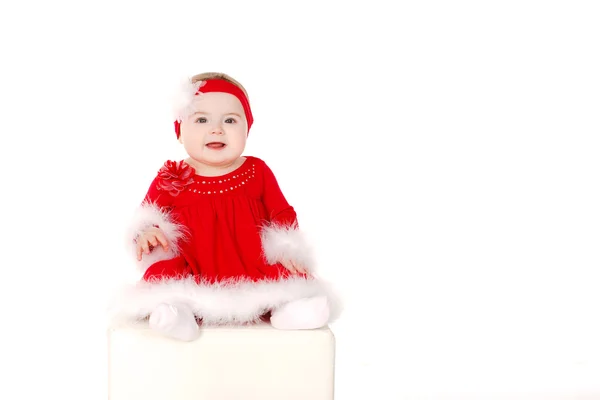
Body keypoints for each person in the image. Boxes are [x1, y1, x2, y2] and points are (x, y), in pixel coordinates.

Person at [108, 72, 335, 341]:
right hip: (195, 266)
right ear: (180, 131)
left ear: (247, 130)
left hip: (251, 262)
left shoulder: (256, 170)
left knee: (287, 276)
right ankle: (178, 316)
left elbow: (281, 212)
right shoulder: (172, 176)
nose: (216, 129)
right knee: (164, 277)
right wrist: (147, 232)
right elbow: (147, 215)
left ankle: (290, 311)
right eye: (201, 120)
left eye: (230, 120)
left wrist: (286, 246)